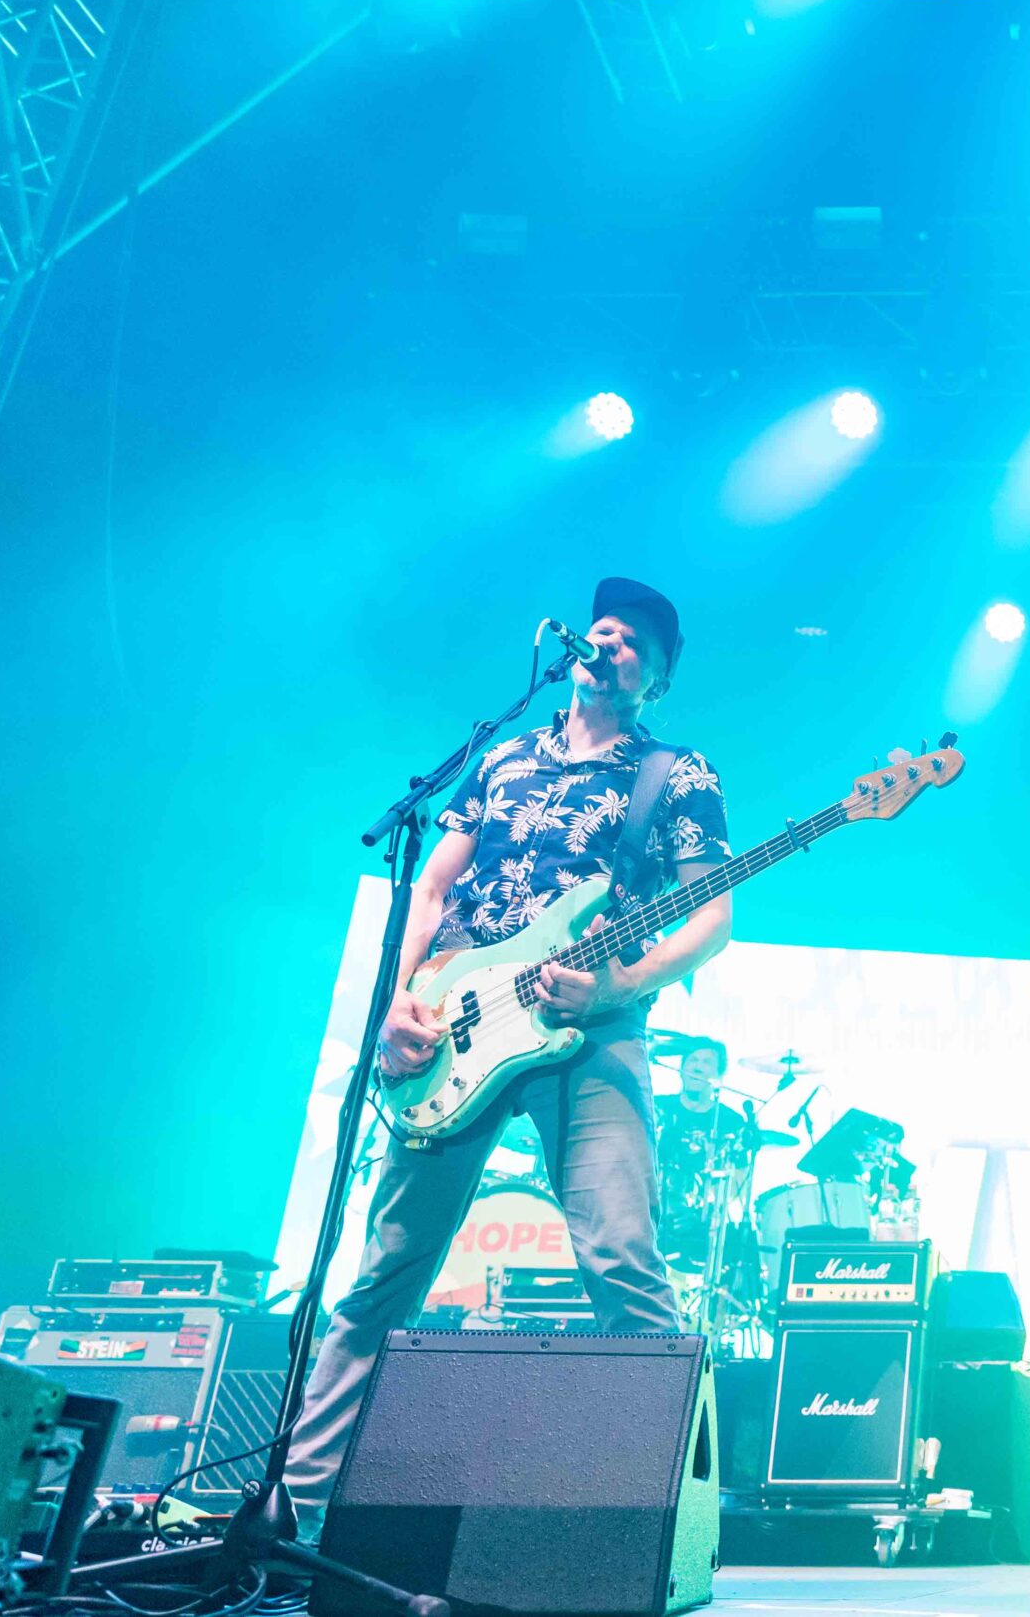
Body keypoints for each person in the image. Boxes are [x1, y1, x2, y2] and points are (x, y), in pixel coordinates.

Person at [284, 578, 733, 1517]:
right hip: (455, 1023)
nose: (609, 641)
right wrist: (399, 1001)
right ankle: (300, 1499)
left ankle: (651, 1519)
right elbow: (431, 888)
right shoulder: (502, 756)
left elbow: (712, 917)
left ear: (656, 678)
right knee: (386, 1271)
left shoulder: (676, 773)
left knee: (621, 1256)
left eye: (634, 641)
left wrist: (619, 986)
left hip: (591, 1026)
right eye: (602, 628)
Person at [653, 1038, 762, 1272]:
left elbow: (739, 1179)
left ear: (718, 1075)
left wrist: (711, 1207)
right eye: (692, 1060)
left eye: (706, 1062)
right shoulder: (657, 1108)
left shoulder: (731, 1121)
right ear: (681, 1069)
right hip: (652, 1216)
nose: (697, 1067)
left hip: (702, 1225)